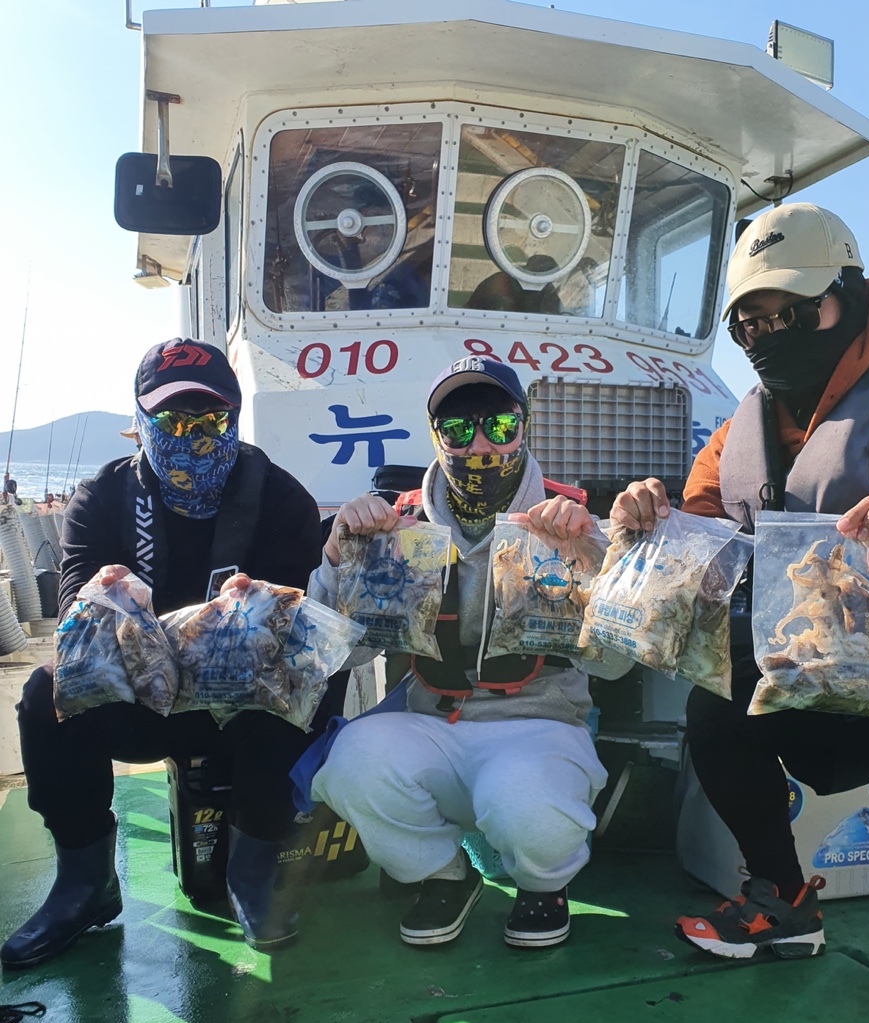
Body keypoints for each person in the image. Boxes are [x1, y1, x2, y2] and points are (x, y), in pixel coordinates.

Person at [611, 203, 869, 989]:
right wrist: (648, 525)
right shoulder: (746, 426)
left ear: (848, 294)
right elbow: (701, 526)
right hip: (828, 663)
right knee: (717, 707)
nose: (768, 337)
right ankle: (783, 901)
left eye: (791, 314)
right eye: (749, 325)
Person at [1, 337, 342, 969]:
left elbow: (297, 626)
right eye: (171, 420)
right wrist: (102, 599)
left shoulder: (282, 498)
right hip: (141, 702)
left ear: (234, 419)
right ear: (140, 422)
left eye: (210, 420)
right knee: (45, 695)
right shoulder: (101, 499)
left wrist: (260, 610)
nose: (191, 436)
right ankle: (85, 883)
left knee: (312, 676)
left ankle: (252, 871)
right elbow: (73, 610)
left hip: (240, 708)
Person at [308, 356, 631, 948]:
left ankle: (544, 885)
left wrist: (595, 560)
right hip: (433, 723)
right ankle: (444, 875)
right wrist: (337, 560)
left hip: (539, 726)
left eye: (499, 426)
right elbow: (334, 656)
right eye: (457, 430)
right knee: (352, 762)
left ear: (524, 427)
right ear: (437, 439)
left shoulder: (572, 525)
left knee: (529, 807)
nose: (480, 445)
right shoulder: (397, 528)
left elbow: (614, 665)